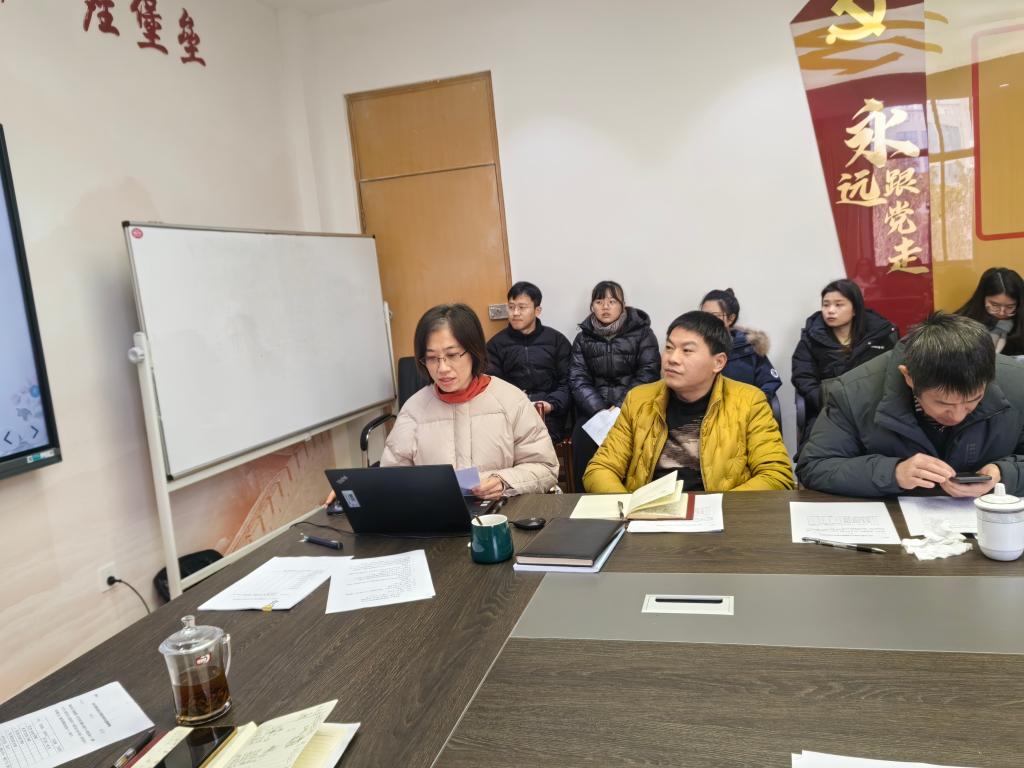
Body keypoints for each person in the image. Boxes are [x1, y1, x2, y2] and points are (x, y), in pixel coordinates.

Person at [327, 304, 558, 503]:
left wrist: (504, 481)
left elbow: (545, 468)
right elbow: (393, 476)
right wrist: (361, 490)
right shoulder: (414, 410)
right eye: (431, 358)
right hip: (437, 522)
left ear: (474, 351)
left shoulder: (511, 400)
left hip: (502, 517)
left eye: (452, 354)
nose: (442, 368)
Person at [797, 313, 1024, 498]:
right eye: (943, 403)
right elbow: (816, 466)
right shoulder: (854, 392)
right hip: (894, 523)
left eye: (973, 400)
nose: (957, 415)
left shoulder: (1018, 383)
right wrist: (894, 473)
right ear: (909, 377)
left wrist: (1003, 475)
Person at [583, 311, 794, 493]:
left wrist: (720, 509)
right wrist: (628, 508)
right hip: (648, 516)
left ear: (718, 362)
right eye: (669, 347)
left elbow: (776, 474)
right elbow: (600, 469)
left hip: (721, 517)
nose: (672, 358)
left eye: (687, 350)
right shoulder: (639, 399)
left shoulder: (749, 402)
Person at [568, 280, 661, 484]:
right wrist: (600, 410)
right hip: (594, 411)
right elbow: (578, 378)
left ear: (623, 305)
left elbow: (648, 373)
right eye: (599, 302)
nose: (605, 307)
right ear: (592, 307)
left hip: (633, 409)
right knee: (582, 440)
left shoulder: (643, 334)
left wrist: (620, 407)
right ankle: (585, 496)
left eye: (612, 301)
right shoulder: (583, 339)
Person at [791, 279, 898, 443]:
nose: (830, 311)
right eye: (826, 305)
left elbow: (893, 375)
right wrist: (827, 402)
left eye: (838, 305)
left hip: (873, 412)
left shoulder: (881, 336)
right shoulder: (811, 339)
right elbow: (804, 378)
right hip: (829, 412)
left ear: (855, 309)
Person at [486, 281, 572, 441]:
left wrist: (551, 404)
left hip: (549, 413)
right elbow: (491, 386)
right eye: (511, 307)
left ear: (537, 310)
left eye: (522, 307)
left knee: (542, 441)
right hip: (510, 414)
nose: (515, 313)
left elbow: (567, 382)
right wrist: (515, 403)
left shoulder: (557, 341)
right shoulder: (496, 345)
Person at [699, 288, 781, 401]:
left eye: (714, 316)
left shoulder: (748, 347)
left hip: (744, 409)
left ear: (730, 319)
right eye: (703, 315)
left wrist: (754, 403)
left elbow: (769, 382)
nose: (706, 321)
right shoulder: (693, 348)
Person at [954, 267, 1023, 356]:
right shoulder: (960, 323)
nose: (1002, 312)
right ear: (982, 298)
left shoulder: (1020, 320)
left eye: (1010, 306)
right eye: (995, 305)